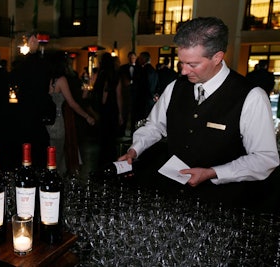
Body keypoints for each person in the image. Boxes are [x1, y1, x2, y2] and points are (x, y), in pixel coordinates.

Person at [119, 17, 280, 212]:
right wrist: (134, 150)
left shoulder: (251, 96)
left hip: (222, 205)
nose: (184, 71)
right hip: (172, 197)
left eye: (193, 64)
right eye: (182, 63)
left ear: (217, 57)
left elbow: (265, 158)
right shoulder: (175, 87)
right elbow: (154, 126)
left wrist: (213, 173)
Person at [7, 32, 55, 170]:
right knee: (38, 159)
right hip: (35, 119)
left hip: (23, 118)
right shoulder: (41, 66)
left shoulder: (21, 67)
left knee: (26, 157)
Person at [46, 51, 95, 176]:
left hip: (45, 123)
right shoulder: (61, 80)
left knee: (48, 156)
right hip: (57, 122)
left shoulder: (45, 78)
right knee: (57, 156)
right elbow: (72, 103)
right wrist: (87, 116)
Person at [91, 52, 123, 166]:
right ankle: (111, 163)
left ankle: (102, 163)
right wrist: (120, 114)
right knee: (111, 140)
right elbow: (118, 96)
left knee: (103, 139)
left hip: (103, 109)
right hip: (112, 108)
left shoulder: (100, 75)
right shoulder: (115, 76)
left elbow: (100, 93)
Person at [134, 51, 158, 127]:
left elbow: (143, 86)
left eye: (140, 58)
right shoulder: (154, 70)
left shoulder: (143, 71)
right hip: (151, 101)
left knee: (141, 122)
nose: (139, 59)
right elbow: (156, 85)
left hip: (143, 100)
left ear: (144, 59)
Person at [119, 51, 138, 136]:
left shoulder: (139, 68)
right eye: (130, 57)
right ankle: (122, 132)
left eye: (133, 58)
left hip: (135, 94)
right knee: (125, 113)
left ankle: (133, 133)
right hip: (125, 94)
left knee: (134, 115)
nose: (131, 59)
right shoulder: (122, 68)